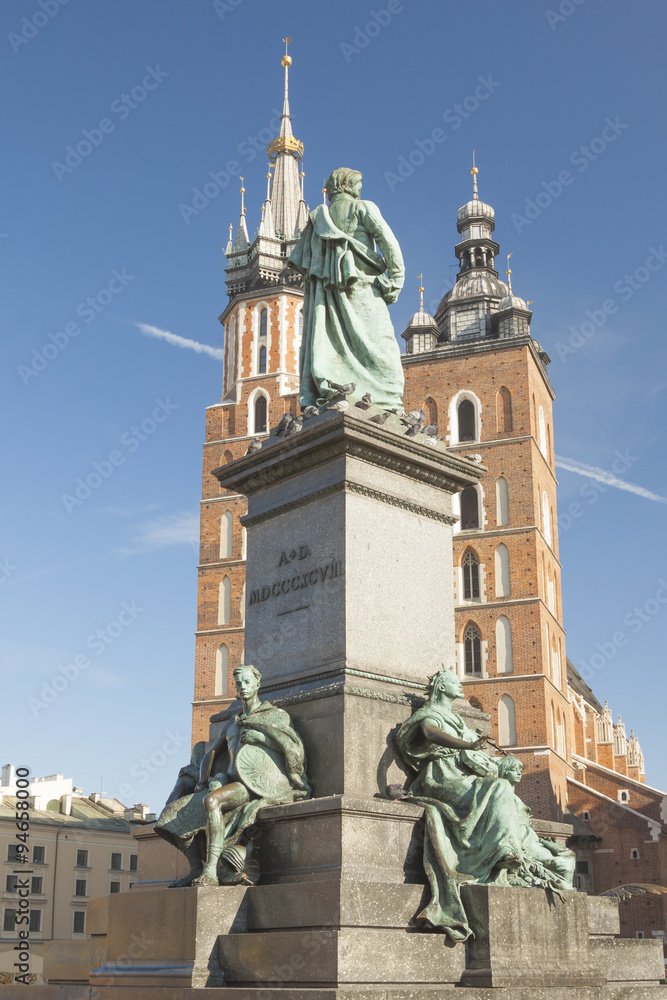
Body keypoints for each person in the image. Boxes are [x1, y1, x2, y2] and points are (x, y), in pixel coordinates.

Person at [395, 668, 574, 941]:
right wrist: (465, 745)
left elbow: (477, 748)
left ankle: (506, 851)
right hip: (442, 775)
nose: (461, 686)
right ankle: (498, 852)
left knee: (505, 790)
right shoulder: (431, 714)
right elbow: (430, 734)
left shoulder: (455, 717)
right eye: (455, 682)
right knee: (499, 788)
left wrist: (480, 751)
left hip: (463, 773)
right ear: (442, 687)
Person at [155, 664, 310, 887]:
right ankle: (196, 870)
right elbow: (212, 753)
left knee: (213, 801)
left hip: (250, 786)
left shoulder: (274, 715)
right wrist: (202, 780)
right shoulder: (232, 722)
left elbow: (294, 749)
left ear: (258, 683)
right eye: (239, 684)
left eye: (247, 682)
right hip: (227, 780)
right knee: (172, 815)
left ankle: (211, 869)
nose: (243, 687)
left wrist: (262, 739)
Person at [289, 167, 405, 411]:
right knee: (383, 347)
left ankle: (332, 391)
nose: (360, 189)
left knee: (329, 341)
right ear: (350, 186)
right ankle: (389, 401)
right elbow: (388, 242)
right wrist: (395, 279)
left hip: (329, 296)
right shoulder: (363, 208)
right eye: (359, 185)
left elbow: (306, 265)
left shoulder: (316, 221)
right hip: (364, 290)